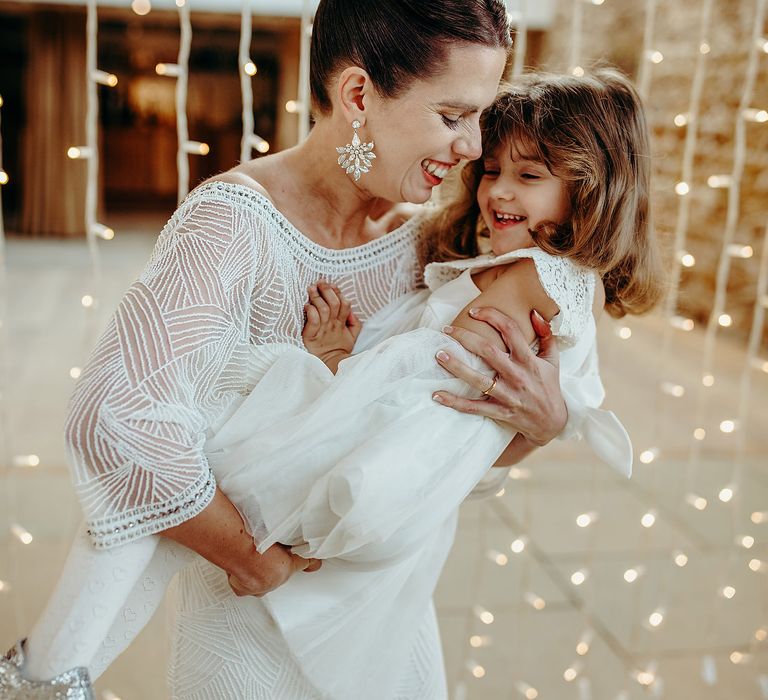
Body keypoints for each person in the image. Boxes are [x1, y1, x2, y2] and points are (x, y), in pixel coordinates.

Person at [1, 2, 576, 698]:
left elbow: (441, 446)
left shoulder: (439, 245)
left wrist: (539, 427)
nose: (473, 148)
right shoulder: (232, 224)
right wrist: (249, 556)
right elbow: (117, 418)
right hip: (250, 636)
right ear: (358, 95)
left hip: (387, 627)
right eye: (453, 116)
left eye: (480, 117)